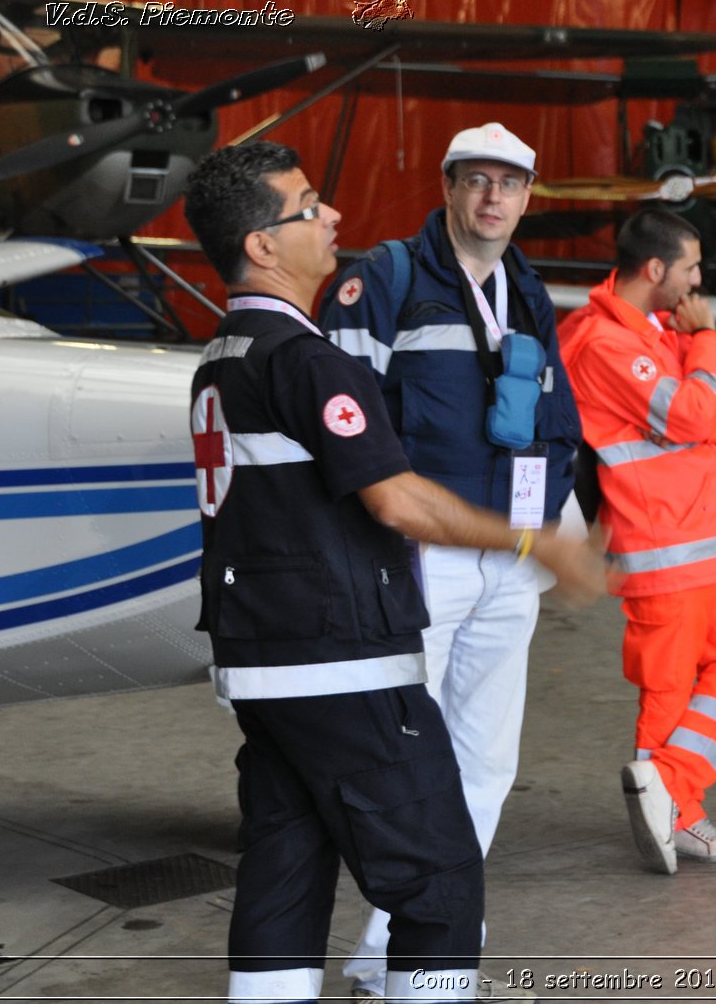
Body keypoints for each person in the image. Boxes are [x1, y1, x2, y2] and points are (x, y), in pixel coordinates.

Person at [184, 142, 604, 1002]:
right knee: (440, 878)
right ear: (263, 246)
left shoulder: (220, 356)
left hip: (262, 660)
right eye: (307, 206)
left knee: (287, 868)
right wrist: (538, 543)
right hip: (338, 660)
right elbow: (398, 500)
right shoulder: (304, 359)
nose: (332, 216)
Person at [315, 122, 585, 998]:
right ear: (447, 185)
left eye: (510, 184)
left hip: (509, 558)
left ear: (527, 197)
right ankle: (415, 957)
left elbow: (558, 423)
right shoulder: (384, 281)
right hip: (417, 558)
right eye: (477, 180)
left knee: (484, 763)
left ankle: (419, 960)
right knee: (401, 765)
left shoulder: (531, 293)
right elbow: (339, 428)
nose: (493, 198)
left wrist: (549, 529)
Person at [559, 209, 716, 873]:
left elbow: (702, 416)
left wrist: (694, 356)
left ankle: (669, 792)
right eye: (691, 268)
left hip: (710, 539)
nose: (699, 281)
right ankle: (677, 813)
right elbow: (699, 414)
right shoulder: (602, 343)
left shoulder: (649, 329)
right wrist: (707, 341)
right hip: (663, 547)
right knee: (668, 689)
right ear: (656, 270)